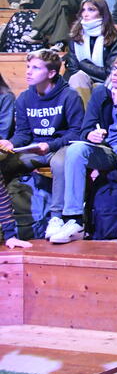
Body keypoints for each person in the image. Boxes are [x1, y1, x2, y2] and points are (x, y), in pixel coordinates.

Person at [50, 54, 117, 244]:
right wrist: (90, 135)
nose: (115, 74)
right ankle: (73, 219)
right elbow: (85, 128)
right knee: (76, 150)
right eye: (114, 69)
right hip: (108, 150)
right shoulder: (101, 93)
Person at [1, 49, 85, 240]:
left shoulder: (69, 96)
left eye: (36, 68)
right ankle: (7, 221)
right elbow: (23, 133)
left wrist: (51, 145)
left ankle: (56, 217)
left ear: (51, 73)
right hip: (34, 148)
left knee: (60, 163)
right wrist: (11, 142)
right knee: (4, 161)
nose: (28, 72)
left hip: (61, 146)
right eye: (28, 66)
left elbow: (76, 132)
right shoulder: (24, 97)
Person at [65, 0, 117, 102]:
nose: (85, 14)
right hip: (82, 80)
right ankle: (84, 118)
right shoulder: (75, 35)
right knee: (77, 78)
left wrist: (83, 64)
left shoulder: (113, 37)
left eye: (91, 10)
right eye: (83, 10)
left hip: (105, 81)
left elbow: (111, 72)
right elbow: (73, 69)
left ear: (102, 13)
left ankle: (88, 117)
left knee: (98, 87)